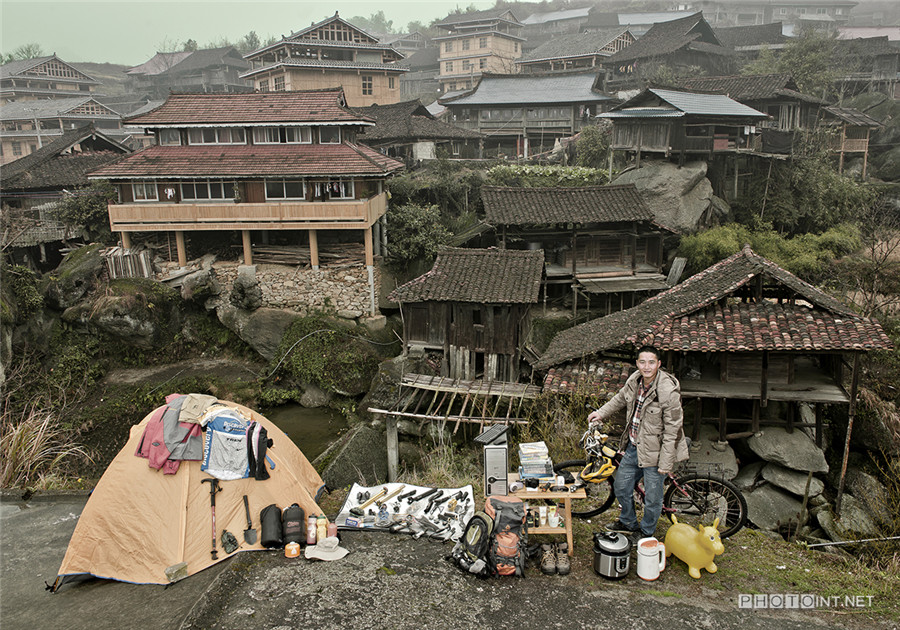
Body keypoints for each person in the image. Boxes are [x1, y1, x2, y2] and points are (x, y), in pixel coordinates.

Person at [586, 345, 689, 539]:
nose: (646, 367)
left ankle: (646, 532)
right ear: (637, 364)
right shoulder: (634, 380)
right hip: (634, 447)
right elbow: (619, 399)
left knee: (653, 498)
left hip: (656, 453)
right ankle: (628, 522)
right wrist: (600, 413)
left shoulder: (667, 390)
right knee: (621, 486)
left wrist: (665, 462)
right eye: (642, 362)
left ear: (659, 364)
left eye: (651, 362)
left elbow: (673, 428)